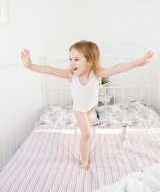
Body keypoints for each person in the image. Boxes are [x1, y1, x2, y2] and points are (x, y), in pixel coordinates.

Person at [21, 40, 153, 170]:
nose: (71, 63)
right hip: (80, 110)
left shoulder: (96, 74)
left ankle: (90, 117)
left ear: (89, 61)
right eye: (70, 59)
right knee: (86, 134)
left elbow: (117, 68)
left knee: (90, 112)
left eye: (76, 59)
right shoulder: (70, 75)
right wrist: (30, 65)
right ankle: (84, 159)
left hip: (92, 106)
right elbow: (50, 70)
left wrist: (138, 62)